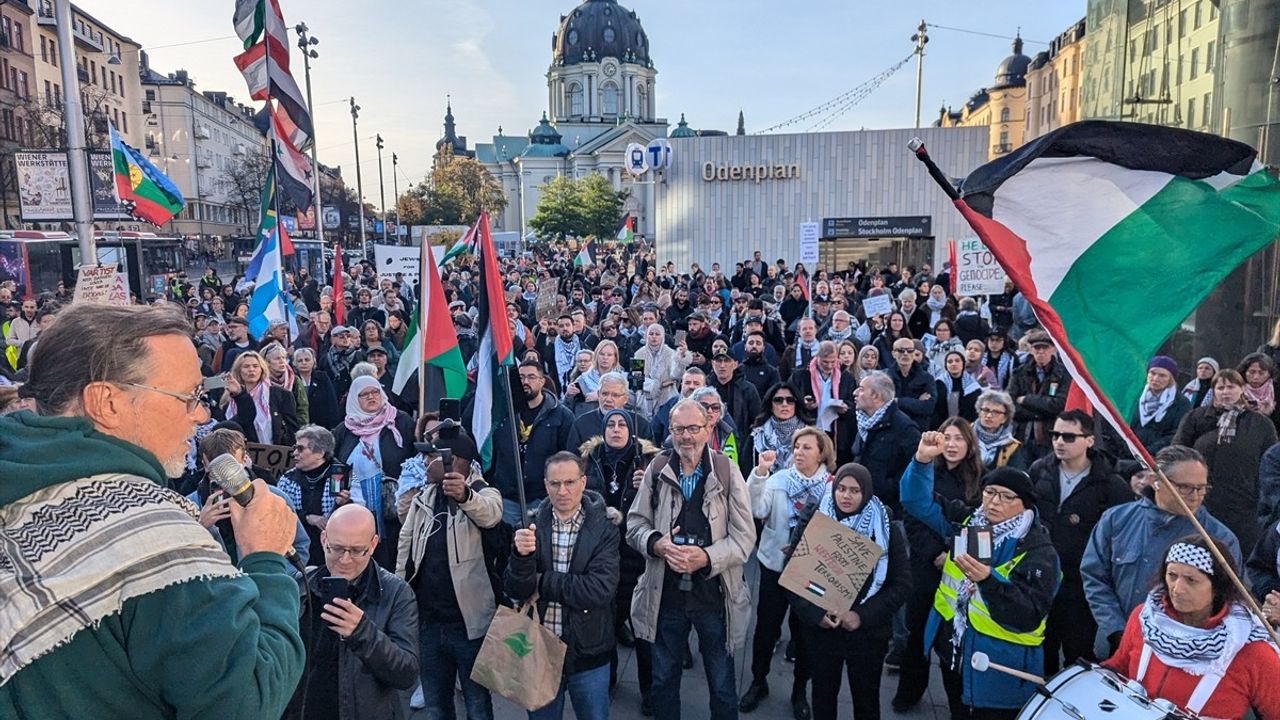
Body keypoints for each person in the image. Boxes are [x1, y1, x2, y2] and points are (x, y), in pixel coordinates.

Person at [0, 303, 304, 718]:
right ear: (106, 403)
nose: (201, 415)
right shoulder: (152, 537)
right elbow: (242, 701)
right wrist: (266, 561)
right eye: (190, 397)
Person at [900, 432, 1060, 719]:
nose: (994, 502)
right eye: (989, 492)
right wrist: (922, 460)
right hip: (955, 652)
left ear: (1024, 504)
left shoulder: (1040, 551)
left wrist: (988, 581)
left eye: (1006, 496)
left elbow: (1028, 614)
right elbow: (916, 502)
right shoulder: (968, 522)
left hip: (1000, 669)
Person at [627, 399, 757, 720]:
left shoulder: (727, 471)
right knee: (663, 682)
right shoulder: (657, 470)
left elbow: (745, 538)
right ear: (670, 431)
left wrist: (707, 558)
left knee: (723, 685)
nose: (686, 436)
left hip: (714, 597)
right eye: (679, 429)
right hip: (665, 596)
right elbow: (634, 525)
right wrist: (658, 545)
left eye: (694, 428)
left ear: (708, 428)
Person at [1082, 445, 1242, 656]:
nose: (1195, 496)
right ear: (1156, 481)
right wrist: (1116, 629)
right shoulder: (1116, 520)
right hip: (1116, 645)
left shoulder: (1218, 539)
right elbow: (1094, 576)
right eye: (1185, 487)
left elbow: (1231, 598)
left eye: (1201, 488)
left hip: (1179, 653)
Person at [1102, 535, 1280, 719]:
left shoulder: (1252, 651)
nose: (1177, 589)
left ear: (1218, 587)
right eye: (1172, 576)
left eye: (1191, 580)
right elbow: (1119, 666)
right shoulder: (1144, 617)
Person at [396, 428, 503, 720]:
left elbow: (491, 513)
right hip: (428, 623)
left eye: (430, 456)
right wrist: (399, 597)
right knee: (436, 706)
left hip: (469, 625)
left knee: (477, 705)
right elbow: (405, 548)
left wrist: (466, 495)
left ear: (451, 461)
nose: (423, 462)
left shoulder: (482, 491)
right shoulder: (424, 496)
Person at [791, 462, 912, 720]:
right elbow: (792, 575)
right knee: (823, 699)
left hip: (868, 635)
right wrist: (815, 614)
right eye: (841, 489)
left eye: (854, 491)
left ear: (866, 492)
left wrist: (861, 615)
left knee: (866, 702)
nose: (846, 496)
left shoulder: (885, 526)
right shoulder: (816, 517)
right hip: (823, 632)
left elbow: (901, 584)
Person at [507, 452, 620, 720]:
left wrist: (542, 581)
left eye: (569, 482)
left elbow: (599, 589)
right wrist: (520, 557)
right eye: (555, 484)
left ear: (583, 482)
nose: (563, 491)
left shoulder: (604, 528)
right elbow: (514, 589)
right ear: (546, 485)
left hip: (588, 652)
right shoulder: (530, 525)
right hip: (540, 651)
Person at [289, 504, 419, 720]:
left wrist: (362, 632)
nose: (345, 559)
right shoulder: (302, 586)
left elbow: (406, 673)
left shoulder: (395, 593)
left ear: (373, 544)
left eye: (357, 550)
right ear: (324, 541)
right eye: (337, 548)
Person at [1027, 410, 1130, 675]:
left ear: (1089, 440)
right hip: (1043, 578)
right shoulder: (1040, 470)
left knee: (1079, 654)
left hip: (1082, 585)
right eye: (1056, 435)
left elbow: (1121, 536)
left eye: (1069, 437)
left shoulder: (1110, 484)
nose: (1060, 441)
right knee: (1040, 650)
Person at [742, 427, 835, 719]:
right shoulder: (779, 479)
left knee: (805, 633)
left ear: (822, 453)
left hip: (810, 573)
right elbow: (756, 509)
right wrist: (760, 472)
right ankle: (759, 681)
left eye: (807, 447)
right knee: (766, 628)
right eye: (796, 446)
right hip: (774, 567)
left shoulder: (832, 487)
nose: (798, 452)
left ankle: (799, 691)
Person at [892, 418, 983, 713]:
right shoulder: (926, 471)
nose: (952, 444)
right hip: (925, 567)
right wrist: (935, 553)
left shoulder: (982, 479)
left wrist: (954, 553)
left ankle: (958, 701)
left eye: (959, 438)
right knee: (917, 634)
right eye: (947, 438)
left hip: (962, 573)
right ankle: (909, 691)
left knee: (953, 637)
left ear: (970, 444)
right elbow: (913, 517)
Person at [580, 408, 660, 705]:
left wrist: (648, 487)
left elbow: (663, 506)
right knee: (607, 622)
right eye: (611, 424)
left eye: (622, 424)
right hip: (601, 553)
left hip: (636, 554)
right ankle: (608, 678)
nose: (616, 429)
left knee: (641, 624)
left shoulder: (649, 461)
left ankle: (649, 689)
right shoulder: (590, 459)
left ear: (630, 430)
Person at [1174, 368, 1278, 557]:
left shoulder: (1260, 423)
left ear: (1241, 389)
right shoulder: (1197, 417)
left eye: (1231, 387)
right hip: (1202, 499)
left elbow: (1270, 460)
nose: (1226, 392)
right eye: (1220, 387)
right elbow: (1178, 451)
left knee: (1238, 555)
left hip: (1244, 504)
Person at [194, 427, 311, 571]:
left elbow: (300, 545)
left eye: (231, 467)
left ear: (244, 460)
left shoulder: (274, 496)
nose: (225, 478)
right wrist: (200, 526)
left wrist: (275, 574)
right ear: (205, 465)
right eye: (216, 470)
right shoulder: (191, 504)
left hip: (265, 585)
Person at [333, 375, 416, 570]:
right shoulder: (344, 429)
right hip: (356, 504)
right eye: (364, 395)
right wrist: (337, 493)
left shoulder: (400, 422)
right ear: (354, 399)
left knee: (392, 555)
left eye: (375, 392)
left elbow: (414, 460)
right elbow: (335, 466)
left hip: (392, 505)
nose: (371, 397)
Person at [484, 361, 576, 526]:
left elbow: (567, 456)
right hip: (507, 496)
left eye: (531, 377)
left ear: (542, 381)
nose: (525, 382)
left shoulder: (561, 416)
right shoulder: (502, 412)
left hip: (541, 497)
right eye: (521, 377)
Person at [851, 371, 921, 513]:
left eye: (862, 389)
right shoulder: (863, 423)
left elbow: (914, 473)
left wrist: (885, 487)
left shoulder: (905, 428)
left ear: (876, 396)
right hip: (861, 504)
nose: (855, 393)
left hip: (889, 509)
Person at [279, 424, 346, 554]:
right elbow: (279, 513)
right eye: (295, 448)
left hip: (333, 548)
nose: (294, 453)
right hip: (298, 549)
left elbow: (357, 511)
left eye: (300, 449)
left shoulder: (340, 475)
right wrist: (308, 518)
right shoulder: (288, 479)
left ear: (320, 453)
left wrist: (345, 504)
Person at [1007, 329, 1071, 460]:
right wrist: (1039, 413)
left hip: (1049, 436)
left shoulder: (1063, 375)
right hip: (1021, 435)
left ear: (1053, 349)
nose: (1041, 352)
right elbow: (1009, 404)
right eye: (1037, 348)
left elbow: (1058, 405)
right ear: (1031, 350)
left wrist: (1026, 399)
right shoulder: (1019, 373)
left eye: (1045, 348)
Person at [789, 341, 856, 465]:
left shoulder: (846, 377)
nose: (830, 366)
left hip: (836, 431)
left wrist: (845, 407)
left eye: (833, 361)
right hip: (809, 427)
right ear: (817, 357)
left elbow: (854, 404)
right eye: (825, 362)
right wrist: (803, 403)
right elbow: (790, 398)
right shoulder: (801, 375)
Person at [221, 349, 300, 447]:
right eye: (246, 366)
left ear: (262, 369)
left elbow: (292, 429)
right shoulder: (230, 401)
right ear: (239, 371)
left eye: (255, 366)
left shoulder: (282, 395)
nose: (251, 370)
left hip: (276, 454)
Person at [568, 371, 653, 449]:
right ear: (598, 394)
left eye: (615, 395)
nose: (608, 399)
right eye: (604, 394)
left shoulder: (640, 425)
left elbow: (650, 459)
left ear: (625, 399)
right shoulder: (581, 424)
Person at [1131, 355, 1191, 455]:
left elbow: (1177, 434)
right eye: (1152, 373)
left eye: (1162, 375)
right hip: (1127, 454)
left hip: (1159, 458)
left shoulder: (1180, 403)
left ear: (1171, 379)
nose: (1155, 378)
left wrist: (1148, 452)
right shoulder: (1134, 397)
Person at [750, 382, 811, 476]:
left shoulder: (811, 434)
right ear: (770, 405)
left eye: (790, 400)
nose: (784, 404)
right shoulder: (758, 434)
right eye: (778, 400)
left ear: (796, 404)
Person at [635, 322, 691, 418]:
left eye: (657, 334)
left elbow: (675, 375)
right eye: (651, 334)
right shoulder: (639, 354)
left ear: (663, 336)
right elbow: (636, 379)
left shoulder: (671, 353)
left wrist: (681, 359)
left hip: (666, 399)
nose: (654, 337)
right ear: (646, 336)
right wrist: (657, 384)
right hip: (644, 400)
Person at [709, 349, 762, 446]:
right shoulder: (705, 388)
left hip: (740, 443)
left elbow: (757, 420)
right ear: (713, 364)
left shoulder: (747, 389)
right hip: (711, 441)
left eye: (727, 361)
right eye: (719, 361)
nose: (722, 365)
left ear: (735, 364)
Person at [972, 389, 1032, 471]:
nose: (989, 415)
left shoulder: (1011, 446)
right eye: (986, 410)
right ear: (979, 412)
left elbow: (1017, 474)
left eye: (996, 412)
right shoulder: (965, 435)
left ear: (1004, 418)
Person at [886, 337, 935, 431]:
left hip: (918, 429)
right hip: (891, 429)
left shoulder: (927, 378)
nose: (905, 354)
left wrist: (898, 401)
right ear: (893, 354)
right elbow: (884, 405)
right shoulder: (885, 378)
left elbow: (928, 407)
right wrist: (916, 401)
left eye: (910, 350)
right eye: (901, 350)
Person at [264, 341, 311, 426]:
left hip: (292, 428)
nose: (282, 361)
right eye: (277, 358)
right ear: (267, 362)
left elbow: (302, 408)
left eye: (284, 358)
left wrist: (301, 428)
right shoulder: (262, 382)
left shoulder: (294, 380)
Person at [932, 350, 981, 428]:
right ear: (946, 365)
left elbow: (974, 411)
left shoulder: (972, 386)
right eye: (950, 362)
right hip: (942, 426)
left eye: (957, 361)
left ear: (963, 364)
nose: (954, 364)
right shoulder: (939, 383)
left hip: (966, 427)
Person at [295, 346, 341, 429]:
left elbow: (332, 402)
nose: (304, 363)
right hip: (300, 426)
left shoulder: (322, 377)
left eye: (307, 359)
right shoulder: (293, 380)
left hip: (321, 426)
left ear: (313, 361)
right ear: (295, 363)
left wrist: (334, 427)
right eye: (300, 361)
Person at [740, 331, 782, 397]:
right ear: (745, 346)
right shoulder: (738, 370)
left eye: (758, 343)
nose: (754, 346)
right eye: (751, 343)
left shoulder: (772, 372)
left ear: (763, 348)